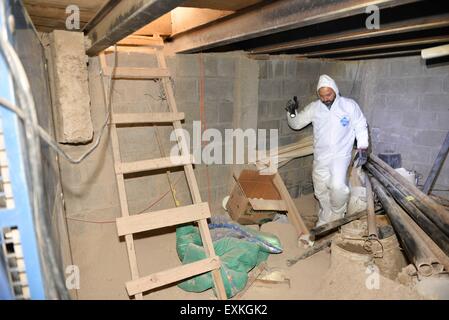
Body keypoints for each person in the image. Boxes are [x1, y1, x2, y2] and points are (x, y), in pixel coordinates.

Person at [286, 75, 369, 227]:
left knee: (338, 187)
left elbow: (360, 125)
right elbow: (297, 124)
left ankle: (337, 215)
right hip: (321, 157)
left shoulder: (349, 106)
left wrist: (363, 147)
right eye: (322, 96)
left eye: (329, 95)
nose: (326, 99)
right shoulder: (314, 108)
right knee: (321, 190)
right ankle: (325, 219)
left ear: (335, 90)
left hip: (340, 156)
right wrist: (291, 113)